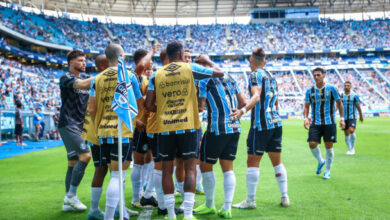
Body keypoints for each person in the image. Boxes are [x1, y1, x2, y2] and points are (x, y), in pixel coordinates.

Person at [145, 41, 224, 220]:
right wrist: (208, 61)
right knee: (190, 168)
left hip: (165, 127)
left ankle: (171, 214)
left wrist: (164, 109)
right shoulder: (190, 68)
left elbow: (148, 105)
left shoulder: (156, 75)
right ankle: (188, 214)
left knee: (166, 169)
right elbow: (220, 73)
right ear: (181, 54)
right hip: (188, 126)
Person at [89, 43, 143, 220]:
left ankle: (119, 213)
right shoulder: (128, 76)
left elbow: (91, 109)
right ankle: (110, 217)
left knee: (112, 174)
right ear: (122, 57)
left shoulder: (97, 78)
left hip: (103, 131)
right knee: (117, 176)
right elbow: (139, 104)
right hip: (122, 131)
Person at [231, 47, 290, 209]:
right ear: (264, 62)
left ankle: (250, 201)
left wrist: (242, 111)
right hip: (276, 123)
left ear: (251, 61)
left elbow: (256, 96)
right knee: (277, 162)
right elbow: (276, 101)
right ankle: (285, 197)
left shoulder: (255, 75)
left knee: (252, 162)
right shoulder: (271, 76)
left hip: (261, 126)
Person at [194, 72, 246, 218]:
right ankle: (226, 208)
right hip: (235, 127)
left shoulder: (204, 80)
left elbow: (200, 107)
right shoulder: (230, 77)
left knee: (205, 165)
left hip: (217, 128)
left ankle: (210, 205)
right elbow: (243, 102)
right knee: (228, 168)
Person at [59, 50, 94, 212]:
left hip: (81, 126)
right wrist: (103, 76)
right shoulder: (66, 77)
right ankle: (71, 195)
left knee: (72, 162)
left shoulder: (85, 78)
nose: (83, 63)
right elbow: (81, 85)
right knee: (86, 155)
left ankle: (67, 203)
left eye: (84, 60)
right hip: (68, 124)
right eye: (80, 61)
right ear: (71, 62)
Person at [303, 67, 345, 179]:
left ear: (324, 75)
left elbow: (339, 104)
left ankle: (327, 170)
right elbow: (306, 106)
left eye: (318, 75)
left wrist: (342, 119)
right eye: (314, 75)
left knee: (329, 148)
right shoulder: (309, 91)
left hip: (329, 123)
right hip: (315, 123)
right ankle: (321, 161)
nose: (316, 77)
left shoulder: (331, 89)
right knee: (312, 144)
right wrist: (305, 118)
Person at [130, 46, 159, 209]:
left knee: (150, 158)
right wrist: (135, 121)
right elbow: (129, 102)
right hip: (140, 125)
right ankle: (136, 196)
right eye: (149, 61)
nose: (151, 64)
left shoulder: (146, 80)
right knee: (139, 160)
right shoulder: (134, 77)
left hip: (149, 124)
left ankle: (146, 192)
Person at [83, 54, 109, 220]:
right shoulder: (101, 80)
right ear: (103, 65)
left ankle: (102, 208)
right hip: (101, 133)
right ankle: (94, 210)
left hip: (99, 132)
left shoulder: (99, 80)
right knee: (103, 169)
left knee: (106, 169)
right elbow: (93, 110)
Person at [341, 81, 363, 155]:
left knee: (351, 130)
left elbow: (358, 106)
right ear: (343, 86)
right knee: (346, 134)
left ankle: (352, 148)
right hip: (344, 117)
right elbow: (338, 105)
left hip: (352, 116)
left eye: (348, 85)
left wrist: (361, 115)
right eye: (345, 85)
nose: (346, 87)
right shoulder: (341, 95)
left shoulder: (354, 96)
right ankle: (350, 149)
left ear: (350, 87)